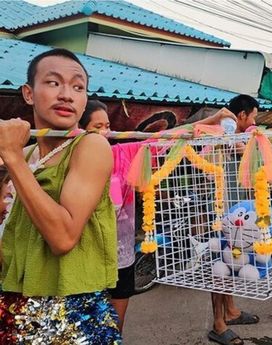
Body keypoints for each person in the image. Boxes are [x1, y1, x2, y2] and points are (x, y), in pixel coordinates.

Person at [0, 48, 122, 343]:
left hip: (71, 313)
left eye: (78, 87)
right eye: (54, 83)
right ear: (29, 93)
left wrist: (12, 157)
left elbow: (63, 238)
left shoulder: (90, 146)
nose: (67, 94)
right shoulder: (26, 153)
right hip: (15, 304)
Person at [193, 95, 260, 345]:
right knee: (219, 267)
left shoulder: (239, 138)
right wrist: (229, 143)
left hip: (234, 212)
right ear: (242, 115)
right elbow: (207, 169)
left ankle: (230, 311)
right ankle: (218, 324)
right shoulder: (222, 133)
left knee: (231, 260)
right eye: (253, 115)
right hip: (218, 214)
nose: (254, 121)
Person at [79, 100, 136, 333]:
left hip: (122, 255)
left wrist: (205, 123)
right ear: (80, 131)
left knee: (115, 327)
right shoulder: (75, 164)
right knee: (89, 325)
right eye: (97, 128)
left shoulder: (121, 155)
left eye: (108, 126)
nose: (105, 133)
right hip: (89, 256)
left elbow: (161, 141)